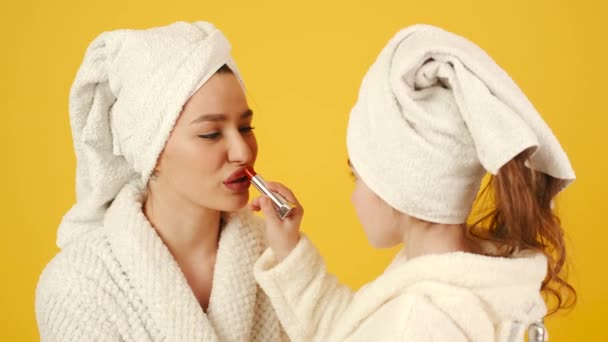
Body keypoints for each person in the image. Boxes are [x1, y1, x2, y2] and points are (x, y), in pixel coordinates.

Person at [251, 24, 576, 342]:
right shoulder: (456, 287)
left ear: (395, 188)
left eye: (358, 178)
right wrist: (289, 250)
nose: (353, 198)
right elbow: (346, 329)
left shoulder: (419, 322)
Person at [35, 21, 285, 341]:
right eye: (210, 134)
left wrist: (292, 265)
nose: (242, 151)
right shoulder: (78, 284)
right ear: (150, 150)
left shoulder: (279, 257)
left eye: (246, 128)